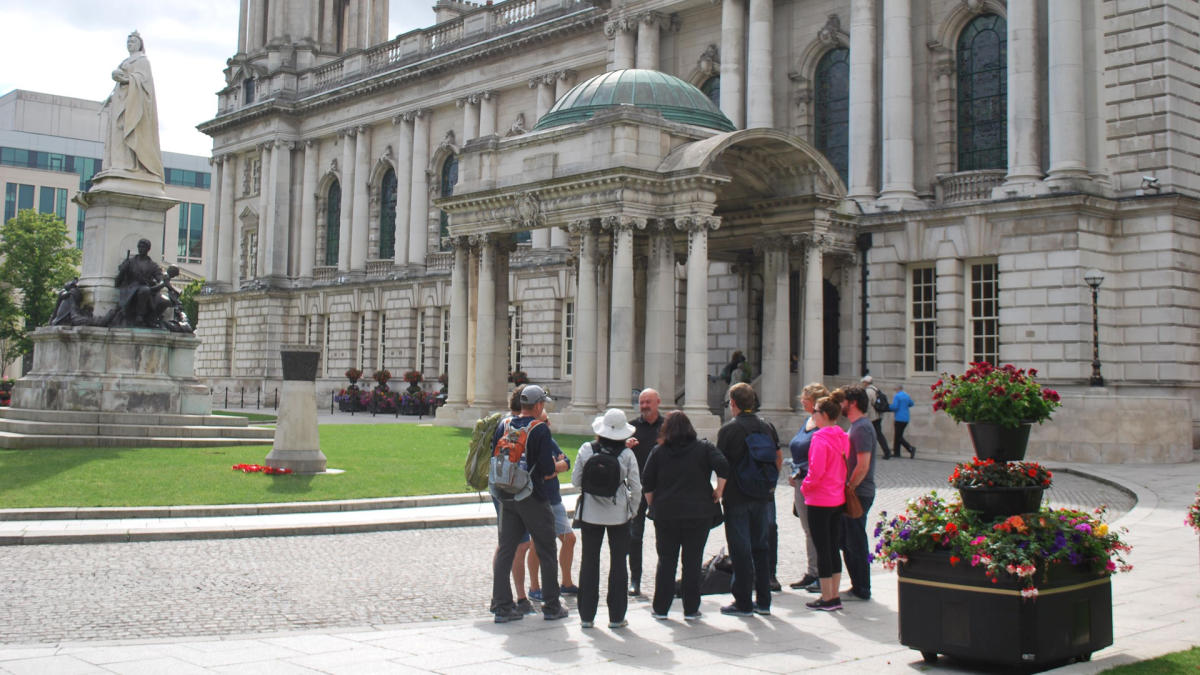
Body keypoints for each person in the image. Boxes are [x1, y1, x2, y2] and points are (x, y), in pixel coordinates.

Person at [490, 385, 569, 623]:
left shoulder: (504, 425)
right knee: (546, 549)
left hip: (506, 494)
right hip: (532, 496)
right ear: (537, 406)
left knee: (506, 549)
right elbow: (545, 469)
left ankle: (502, 605)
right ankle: (552, 605)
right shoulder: (539, 429)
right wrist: (559, 466)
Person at [641, 411, 729, 620]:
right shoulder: (704, 448)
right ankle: (691, 608)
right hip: (698, 512)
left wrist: (653, 504)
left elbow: (647, 481)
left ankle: (661, 607)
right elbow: (724, 466)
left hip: (666, 511)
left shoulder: (658, 451)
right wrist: (719, 490)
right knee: (692, 561)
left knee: (666, 560)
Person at [571, 408, 642, 629]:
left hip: (591, 513)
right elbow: (636, 487)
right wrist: (634, 510)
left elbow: (575, 481)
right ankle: (617, 616)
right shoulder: (627, 454)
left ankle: (586, 616)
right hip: (618, 513)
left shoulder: (586, 449)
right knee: (619, 564)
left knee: (589, 562)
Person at [716, 382, 780, 617]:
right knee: (761, 548)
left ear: (733, 403)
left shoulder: (729, 429)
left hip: (737, 496)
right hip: (763, 495)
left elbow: (721, 465)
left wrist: (718, 492)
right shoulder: (766, 427)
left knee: (740, 549)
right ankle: (764, 601)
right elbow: (776, 458)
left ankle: (743, 600)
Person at [489, 386, 536, 617]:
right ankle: (514, 598)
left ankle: (504, 598)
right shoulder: (525, 427)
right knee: (515, 544)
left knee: (510, 543)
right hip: (516, 491)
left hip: (500, 487)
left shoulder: (502, 425)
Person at [801, 392, 850, 611]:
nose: (813, 414)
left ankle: (827, 596)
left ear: (824, 415)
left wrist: (805, 486)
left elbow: (816, 470)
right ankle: (834, 594)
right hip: (837, 496)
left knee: (822, 548)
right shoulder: (842, 436)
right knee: (832, 547)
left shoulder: (820, 438)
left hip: (819, 498)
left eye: (816, 411)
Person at [101, 31, 164, 179]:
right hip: (121, 100)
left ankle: (129, 164)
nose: (130, 44)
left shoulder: (142, 61)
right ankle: (118, 163)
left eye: (133, 42)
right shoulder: (125, 61)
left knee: (129, 130)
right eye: (128, 42)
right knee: (117, 133)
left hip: (132, 104)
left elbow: (143, 81)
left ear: (140, 44)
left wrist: (125, 78)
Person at [787, 382, 830, 593]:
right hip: (801, 480)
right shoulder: (808, 420)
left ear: (813, 401)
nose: (801, 400)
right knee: (808, 530)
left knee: (817, 530)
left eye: (804, 397)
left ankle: (821, 574)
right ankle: (812, 571)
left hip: (815, 483)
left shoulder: (823, 424)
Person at [526, 428, 578, 599]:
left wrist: (553, 468)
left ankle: (567, 583)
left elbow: (567, 462)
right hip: (537, 499)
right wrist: (552, 468)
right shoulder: (529, 440)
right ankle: (534, 587)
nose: (548, 424)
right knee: (536, 543)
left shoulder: (549, 440)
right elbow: (537, 471)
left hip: (554, 499)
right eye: (545, 421)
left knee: (569, 539)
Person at [839, 385, 878, 601]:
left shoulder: (862, 427)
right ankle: (858, 585)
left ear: (852, 403)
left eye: (843, 400)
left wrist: (850, 487)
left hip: (859, 492)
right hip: (857, 491)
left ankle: (862, 587)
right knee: (848, 540)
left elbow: (863, 465)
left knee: (855, 540)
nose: (841, 405)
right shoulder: (857, 426)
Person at [625, 387, 664, 596]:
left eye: (648, 402)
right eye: (642, 402)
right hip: (637, 488)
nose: (645, 406)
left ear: (658, 402)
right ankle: (635, 580)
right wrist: (625, 447)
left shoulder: (667, 426)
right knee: (634, 536)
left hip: (662, 490)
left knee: (664, 537)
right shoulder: (630, 428)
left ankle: (663, 578)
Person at [113, 238, 170, 328]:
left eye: (143, 247)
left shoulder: (152, 265)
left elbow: (159, 277)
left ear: (148, 249)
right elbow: (120, 275)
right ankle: (140, 316)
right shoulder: (131, 261)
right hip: (131, 289)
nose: (141, 248)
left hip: (148, 290)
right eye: (139, 246)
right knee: (145, 290)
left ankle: (152, 318)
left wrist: (165, 279)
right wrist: (124, 268)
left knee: (165, 301)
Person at [861, 375, 892, 459]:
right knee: (876, 433)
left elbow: (867, 405)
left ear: (866, 383)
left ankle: (886, 452)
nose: (862, 384)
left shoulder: (868, 391)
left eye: (863, 382)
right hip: (878, 415)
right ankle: (885, 451)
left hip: (872, 416)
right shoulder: (876, 389)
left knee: (875, 434)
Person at [890, 385, 916, 458]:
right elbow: (911, 403)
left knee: (898, 436)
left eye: (896, 389)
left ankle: (910, 448)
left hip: (899, 418)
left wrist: (888, 407)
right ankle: (897, 452)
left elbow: (895, 407)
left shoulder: (897, 396)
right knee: (898, 435)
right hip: (906, 418)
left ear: (898, 389)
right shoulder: (906, 395)